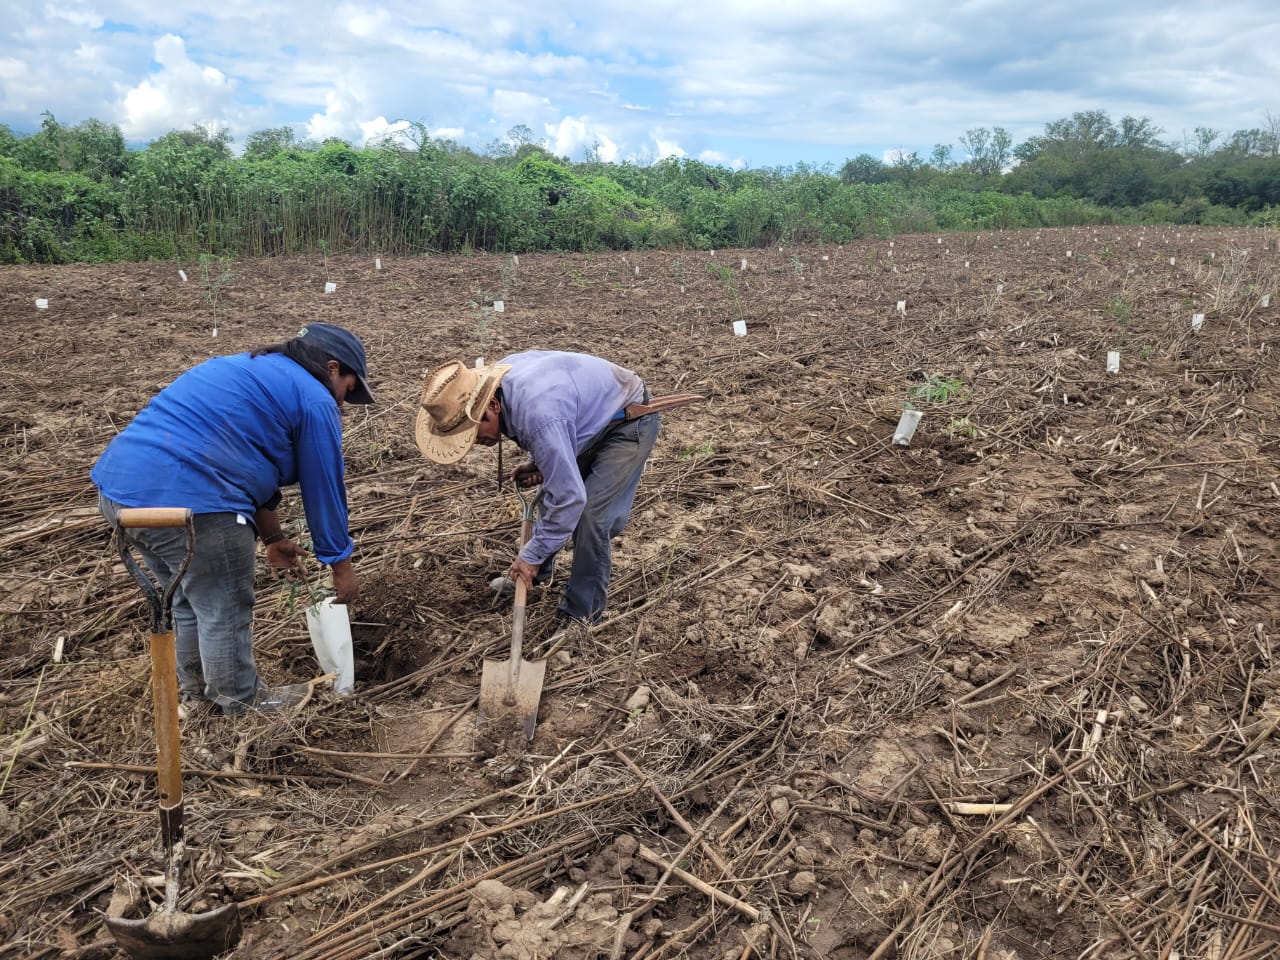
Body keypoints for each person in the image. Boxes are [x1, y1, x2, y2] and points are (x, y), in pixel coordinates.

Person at [91, 323, 374, 716]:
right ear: (331, 368)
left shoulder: (245, 368)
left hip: (120, 494)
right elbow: (323, 487)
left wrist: (273, 538)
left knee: (190, 600)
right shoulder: (314, 398)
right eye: (348, 388)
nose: (343, 403)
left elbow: (239, 464)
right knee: (224, 606)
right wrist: (340, 564)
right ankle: (242, 705)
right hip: (195, 505)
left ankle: (197, 698)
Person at [415, 350, 662, 631]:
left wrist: (529, 554)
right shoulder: (506, 386)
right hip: (591, 419)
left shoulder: (538, 414)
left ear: (492, 406)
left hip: (627, 423)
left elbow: (570, 498)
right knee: (551, 498)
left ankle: (581, 614)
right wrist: (541, 463)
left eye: (473, 434)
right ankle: (534, 574)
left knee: (592, 516)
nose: (475, 443)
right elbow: (562, 421)